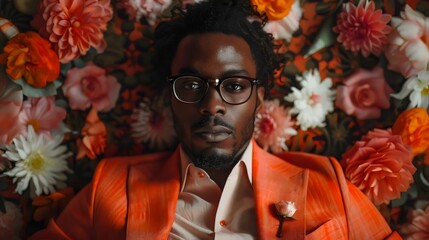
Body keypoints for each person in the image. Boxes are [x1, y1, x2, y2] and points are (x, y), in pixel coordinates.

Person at [30, 0, 401, 239]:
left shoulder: (326, 183)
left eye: (235, 85)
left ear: (259, 96)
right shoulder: (110, 188)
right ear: (170, 96)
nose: (212, 105)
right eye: (191, 85)